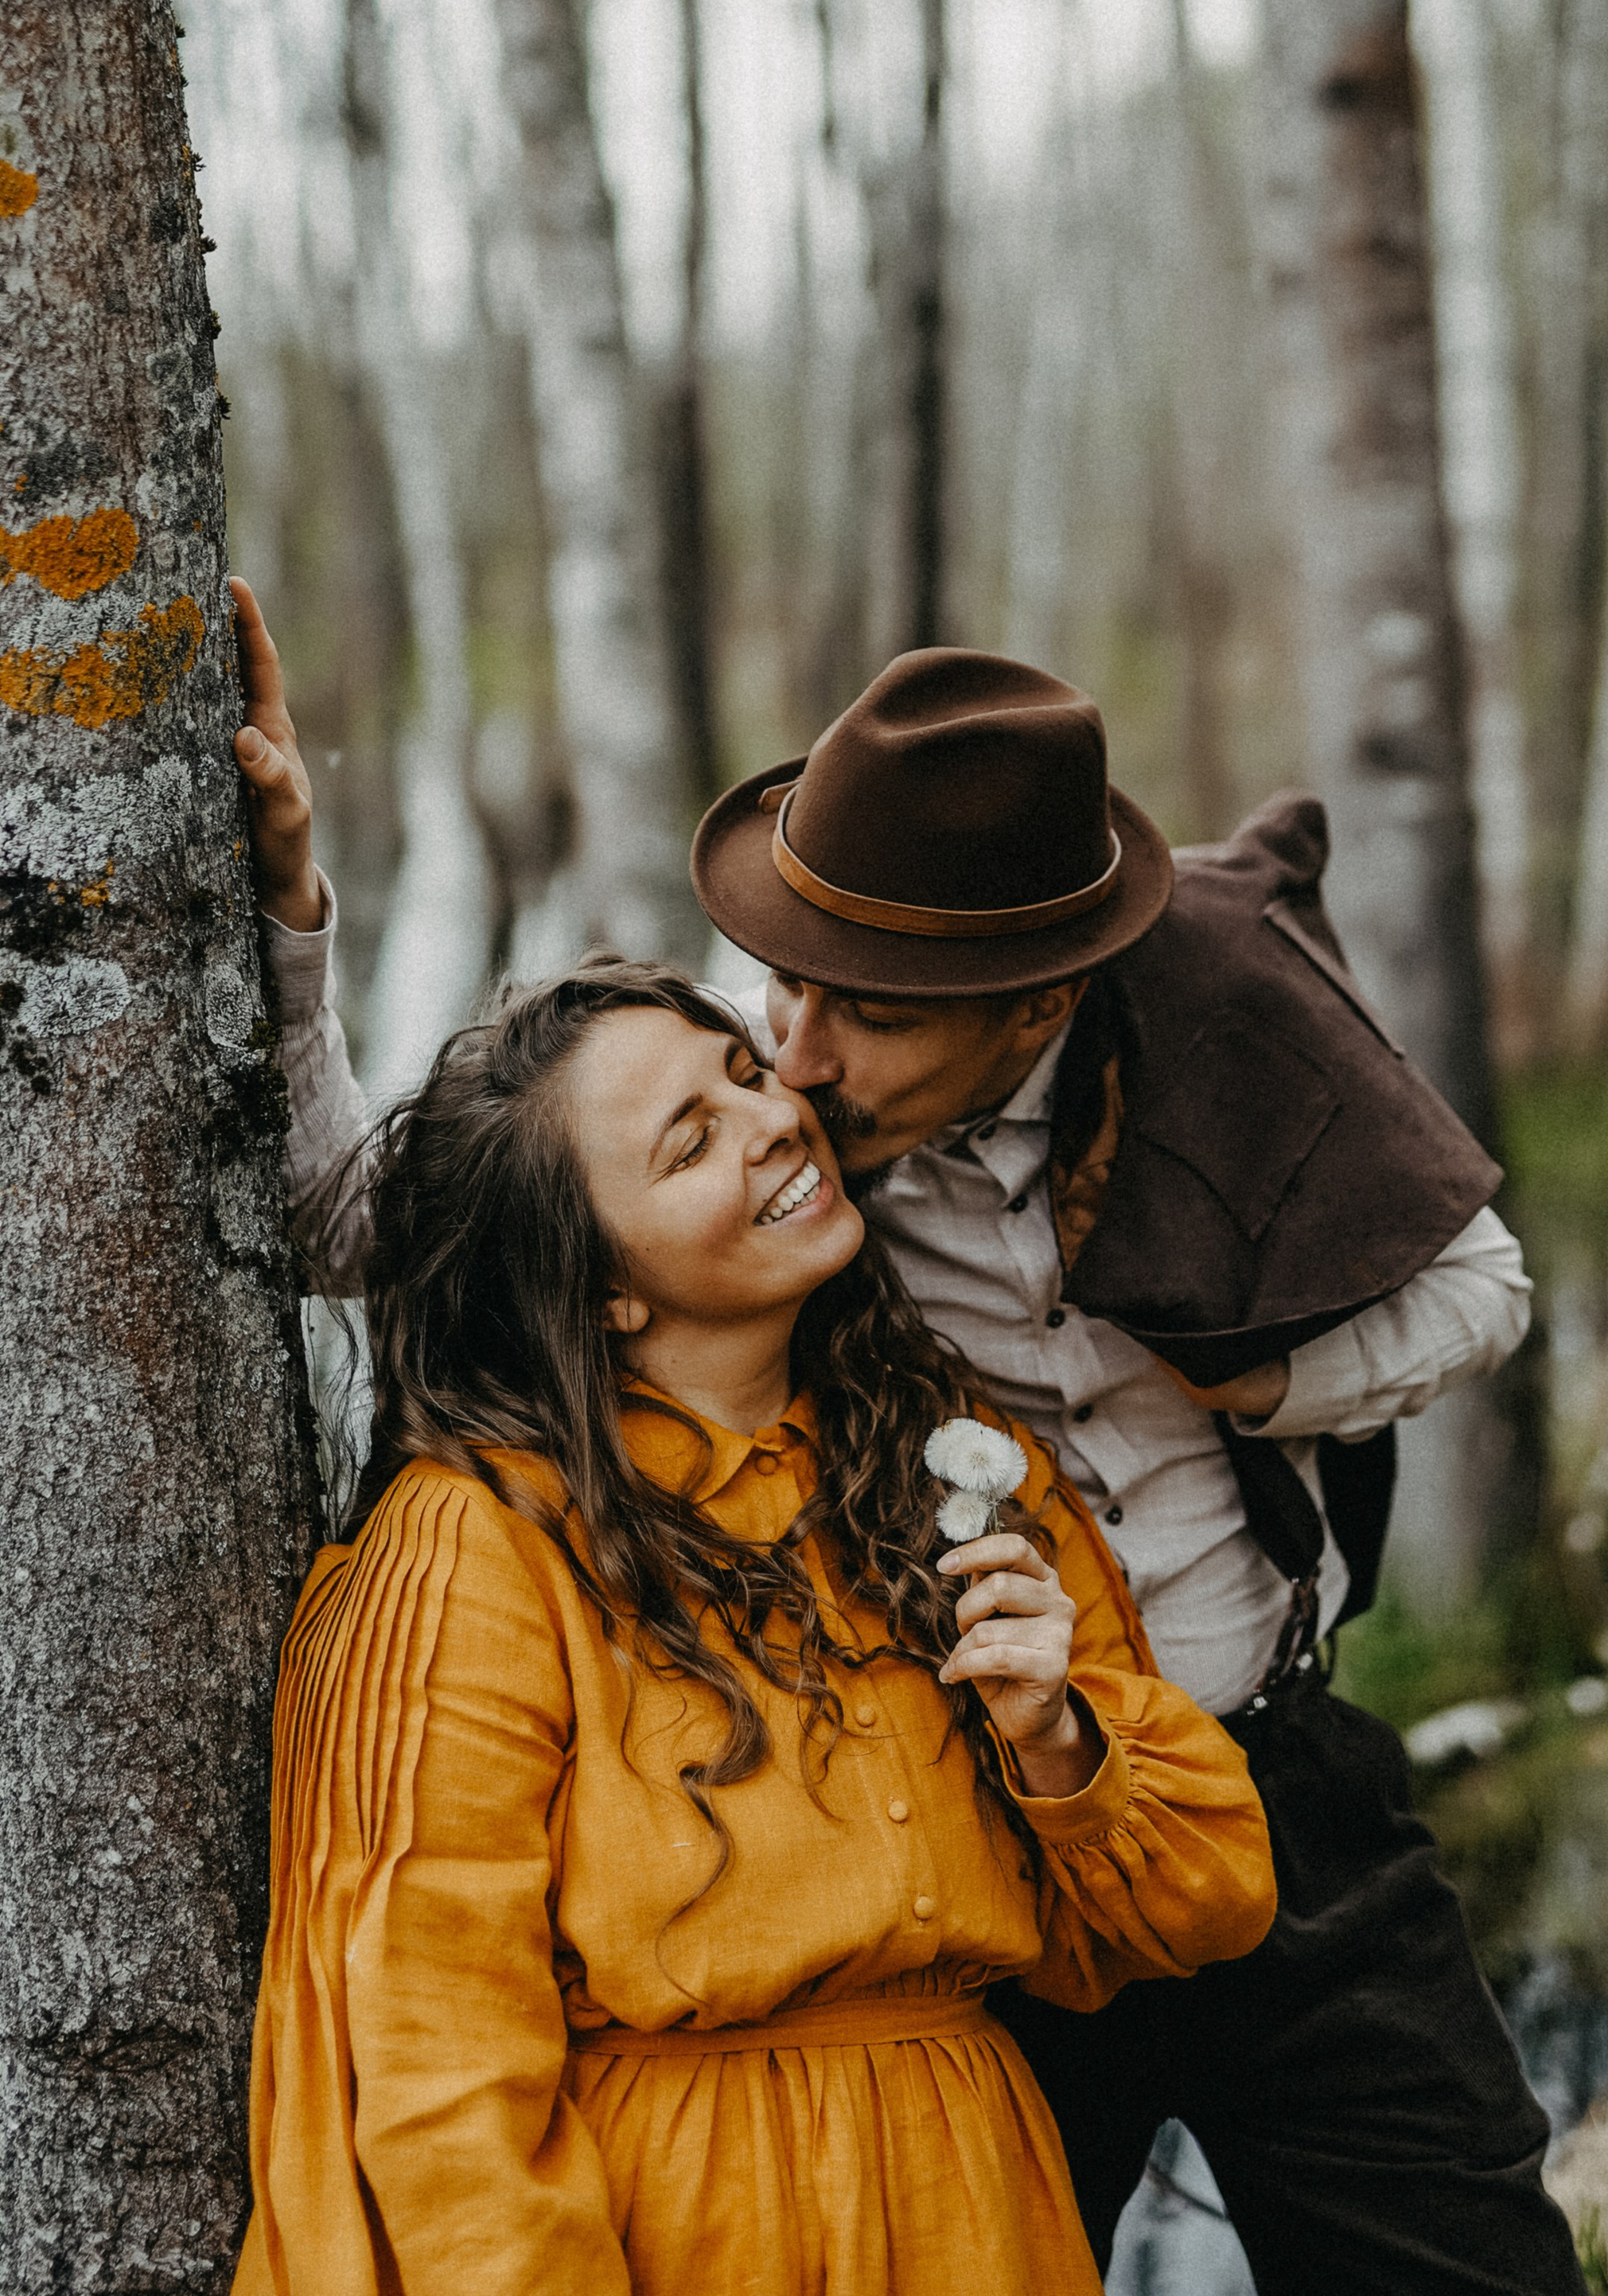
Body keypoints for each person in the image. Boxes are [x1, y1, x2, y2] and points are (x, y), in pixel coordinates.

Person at [232, 587, 1586, 2296]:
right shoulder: (743, 1122)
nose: (792, 1066)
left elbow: (1480, 1288)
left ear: (1032, 1003)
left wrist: (1249, 1375)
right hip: (959, 1864)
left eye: (857, 1018)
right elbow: (425, 1216)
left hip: (1235, 1778)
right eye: (772, 1006)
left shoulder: (1225, 1021)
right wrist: (286, 919)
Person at [233, 953, 1276, 2296]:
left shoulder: (938, 1460)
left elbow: (1207, 1906)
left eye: (743, 1073)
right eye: (691, 1143)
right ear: (603, 1285)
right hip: (695, 2232)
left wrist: (1057, 1740)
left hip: (983, 2221)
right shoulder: (479, 1547)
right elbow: (433, 2064)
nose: (776, 1118)